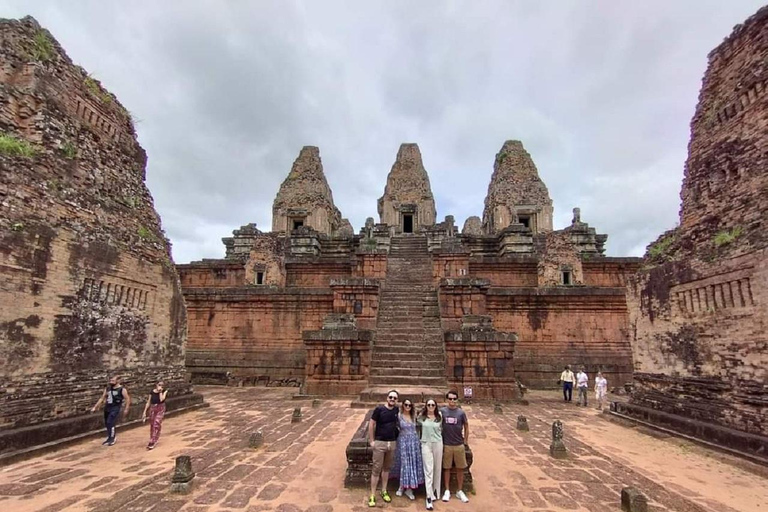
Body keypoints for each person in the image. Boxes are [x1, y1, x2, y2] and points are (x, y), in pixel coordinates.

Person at [368, 390, 399, 508]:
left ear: (397, 400)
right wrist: (372, 441)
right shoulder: (379, 410)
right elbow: (371, 424)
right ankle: (372, 494)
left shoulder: (396, 410)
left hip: (391, 443)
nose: (392, 399)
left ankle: (384, 490)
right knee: (376, 469)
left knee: (386, 469)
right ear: (387, 398)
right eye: (391, 397)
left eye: (395, 398)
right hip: (380, 442)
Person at [441, 390, 470, 504]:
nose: (452, 401)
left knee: (460, 468)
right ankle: (447, 490)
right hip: (447, 444)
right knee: (447, 468)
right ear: (447, 400)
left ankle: (459, 490)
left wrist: (466, 440)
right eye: (450, 399)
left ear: (457, 400)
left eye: (454, 399)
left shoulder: (461, 413)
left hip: (458, 444)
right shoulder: (442, 411)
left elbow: (466, 426)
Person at [393, 399, 424, 501]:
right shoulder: (398, 415)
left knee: (412, 463)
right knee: (404, 463)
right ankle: (402, 486)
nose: (407, 406)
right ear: (402, 405)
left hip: (414, 442)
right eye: (405, 404)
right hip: (403, 442)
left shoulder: (414, 416)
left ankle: (410, 488)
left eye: (409, 405)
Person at [91, 375, 131, 446]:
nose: (111, 382)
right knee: (107, 423)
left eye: (113, 381)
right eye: (110, 381)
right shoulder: (108, 388)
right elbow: (102, 398)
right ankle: (109, 437)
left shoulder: (122, 389)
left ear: (118, 381)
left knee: (110, 422)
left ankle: (112, 438)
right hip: (107, 407)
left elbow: (127, 399)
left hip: (115, 407)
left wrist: (126, 408)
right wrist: (95, 407)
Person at [418, 398, 442, 511]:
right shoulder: (422, 417)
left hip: (437, 443)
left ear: (436, 406)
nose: (431, 407)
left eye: (433, 405)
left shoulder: (440, 417)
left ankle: (436, 492)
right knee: (428, 469)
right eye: (429, 405)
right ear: (426, 406)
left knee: (437, 468)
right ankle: (429, 496)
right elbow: (415, 420)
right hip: (426, 444)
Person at [141, 380, 169, 450]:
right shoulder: (152, 392)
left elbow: (161, 399)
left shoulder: (164, 391)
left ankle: (153, 440)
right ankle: (152, 438)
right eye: (159, 385)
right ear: (156, 385)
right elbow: (148, 402)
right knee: (152, 424)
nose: (160, 386)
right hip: (153, 408)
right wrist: (144, 411)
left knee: (157, 422)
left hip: (160, 408)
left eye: (162, 386)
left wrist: (160, 392)